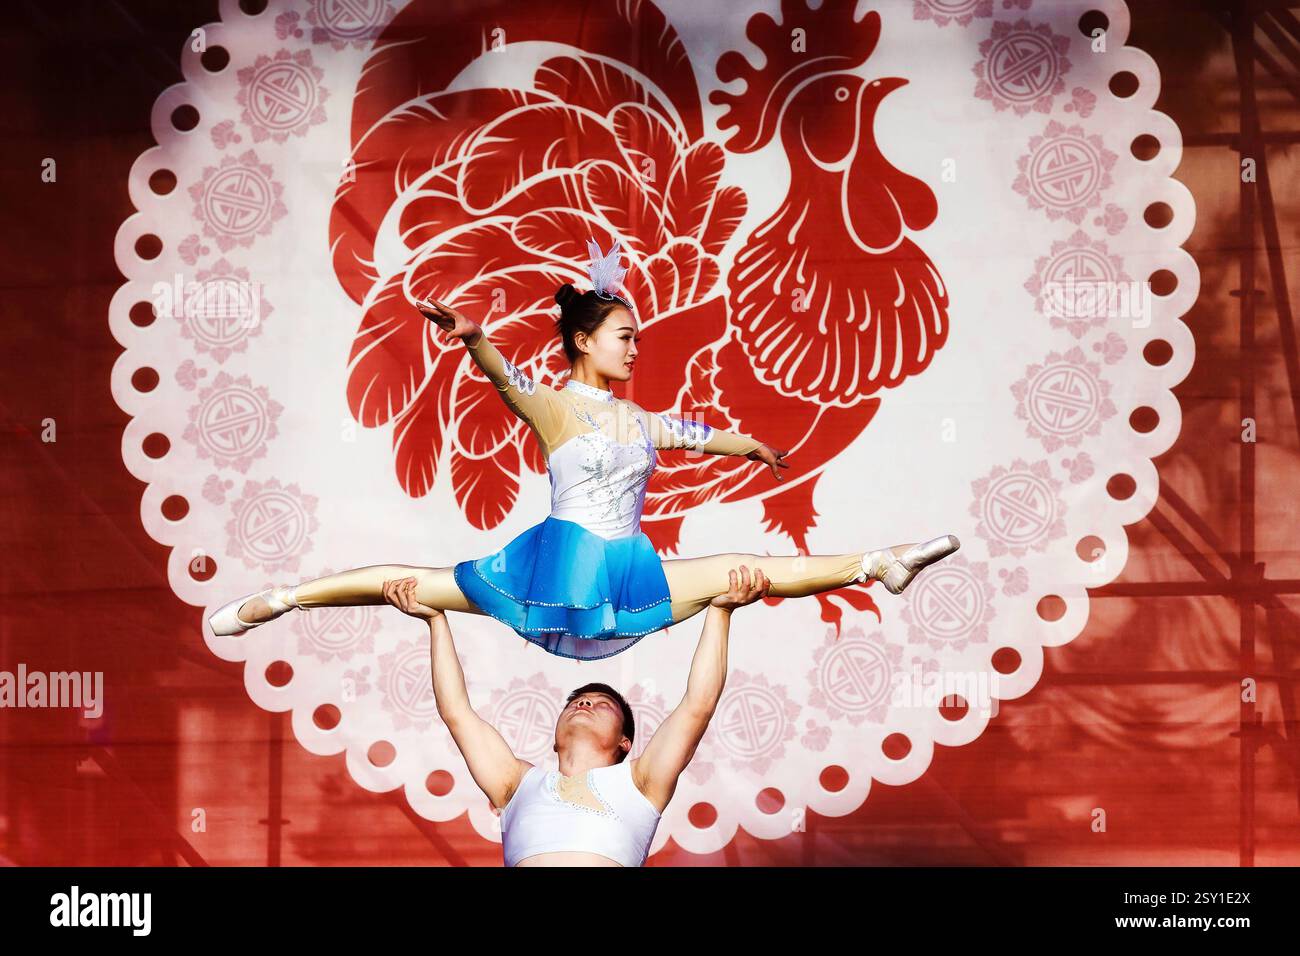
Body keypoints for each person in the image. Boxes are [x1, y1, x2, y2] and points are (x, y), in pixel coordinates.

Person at [209, 238, 960, 659]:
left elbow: (700, 436)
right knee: (416, 582)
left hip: (625, 571)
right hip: (558, 566)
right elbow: (504, 381)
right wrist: (475, 338)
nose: (634, 349)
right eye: (624, 337)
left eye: (636, 338)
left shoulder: (638, 418)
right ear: (582, 340)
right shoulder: (554, 405)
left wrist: (753, 447)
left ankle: (879, 563)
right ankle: (280, 600)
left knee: (750, 571)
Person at [381, 560, 772, 866]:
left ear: (625, 742)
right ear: (554, 739)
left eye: (603, 704)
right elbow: (457, 712)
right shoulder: (515, 784)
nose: (585, 704)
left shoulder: (641, 783)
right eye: (576, 701)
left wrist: (720, 613)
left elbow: (697, 707)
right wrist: (435, 620)